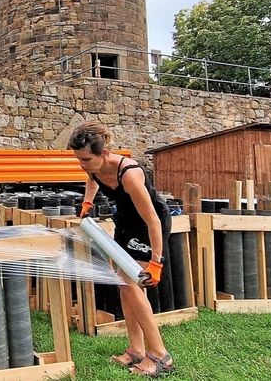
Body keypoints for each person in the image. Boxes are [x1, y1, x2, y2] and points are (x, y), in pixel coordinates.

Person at [70, 120, 175, 378]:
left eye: (85, 159)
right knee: (123, 283)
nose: (82, 164)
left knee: (131, 283)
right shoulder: (95, 167)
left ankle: (160, 355)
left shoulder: (129, 174)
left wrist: (156, 262)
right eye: (79, 159)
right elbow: (92, 179)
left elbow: (153, 220)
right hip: (126, 223)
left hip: (149, 227)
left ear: (103, 154)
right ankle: (136, 349)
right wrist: (87, 202)